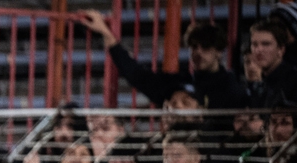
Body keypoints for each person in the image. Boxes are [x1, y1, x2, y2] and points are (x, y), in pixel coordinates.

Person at [81, 11, 245, 109]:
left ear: (219, 52)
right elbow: (139, 76)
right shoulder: (179, 81)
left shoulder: (231, 86)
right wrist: (106, 33)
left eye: (206, 48)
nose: (198, 53)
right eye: (194, 47)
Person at [246, 19, 297, 108]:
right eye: (254, 44)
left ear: (281, 50)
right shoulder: (251, 80)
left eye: (266, 44)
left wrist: (259, 86)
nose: (259, 50)